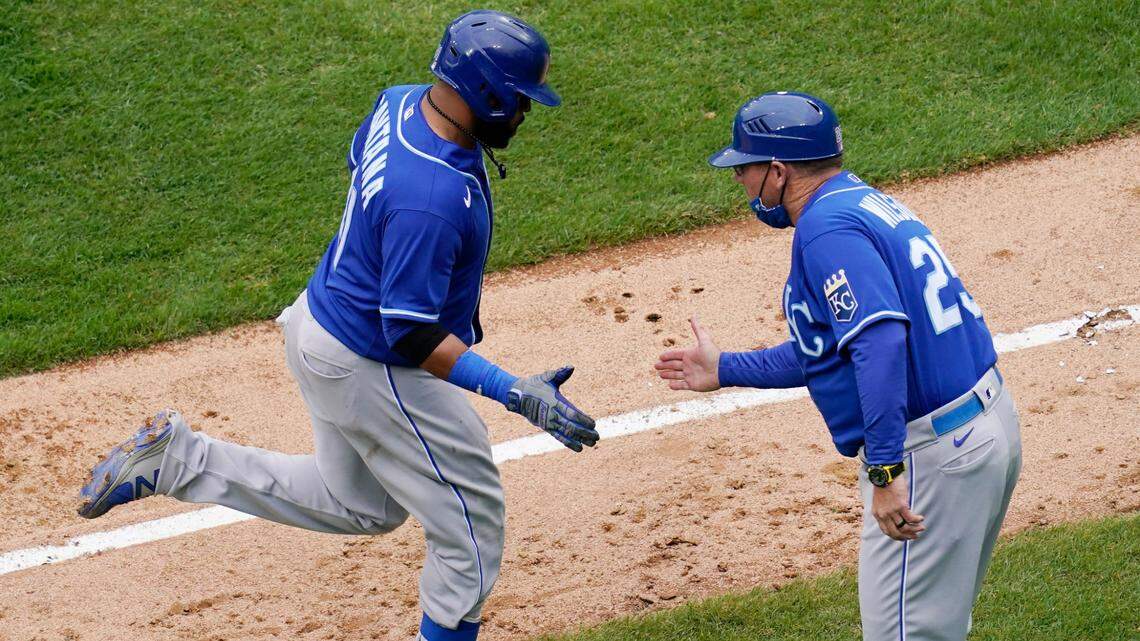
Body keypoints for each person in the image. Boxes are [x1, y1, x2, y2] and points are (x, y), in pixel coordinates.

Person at [77, 11, 598, 641]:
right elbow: (411, 333)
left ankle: (178, 461)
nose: (523, 113)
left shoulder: (401, 104)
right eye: (518, 99)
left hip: (319, 324)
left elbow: (363, 169)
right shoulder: (428, 200)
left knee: (364, 505)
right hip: (370, 361)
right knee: (471, 524)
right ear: (484, 91)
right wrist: (514, 391)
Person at [655, 91, 1021, 641]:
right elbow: (832, 347)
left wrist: (886, 471)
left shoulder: (825, 230)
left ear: (777, 171)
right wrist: (727, 367)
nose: (739, 182)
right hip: (983, 430)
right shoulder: (862, 202)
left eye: (745, 168)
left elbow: (879, 343)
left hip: (932, 458)